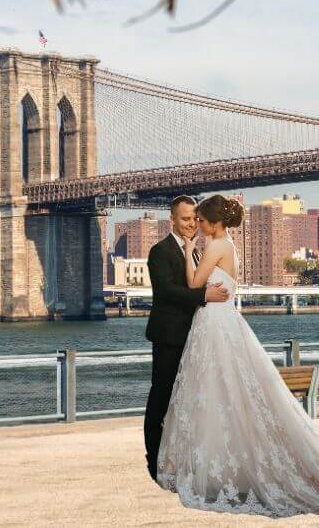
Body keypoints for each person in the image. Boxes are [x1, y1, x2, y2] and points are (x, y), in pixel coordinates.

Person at [156, 194, 319, 519]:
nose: (199, 225)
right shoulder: (229, 246)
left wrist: (186, 251)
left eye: (203, 221)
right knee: (230, 395)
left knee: (214, 394)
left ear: (214, 223)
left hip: (213, 326)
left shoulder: (215, 246)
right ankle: (223, 467)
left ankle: (214, 468)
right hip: (223, 323)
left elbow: (194, 282)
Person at [143, 195, 230, 481]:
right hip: (169, 336)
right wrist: (204, 295)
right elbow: (166, 292)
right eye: (185, 219)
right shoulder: (159, 251)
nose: (191, 223)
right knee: (161, 399)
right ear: (172, 219)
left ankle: (181, 459)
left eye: (195, 218)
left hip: (193, 337)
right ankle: (155, 463)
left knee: (187, 401)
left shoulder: (195, 250)